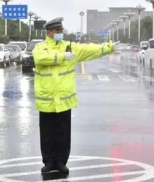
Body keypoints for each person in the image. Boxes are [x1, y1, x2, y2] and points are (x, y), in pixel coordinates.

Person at [32, 17, 115, 175]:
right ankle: (48, 162)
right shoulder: (40, 47)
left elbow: (91, 50)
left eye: (61, 31)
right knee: (47, 134)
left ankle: (61, 162)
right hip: (47, 100)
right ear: (49, 32)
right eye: (57, 31)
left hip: (64, 100)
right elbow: (40, 59)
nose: (60, 34)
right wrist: (63, 57)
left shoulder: (70, 47)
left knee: (63, 134)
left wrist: (108, 47)